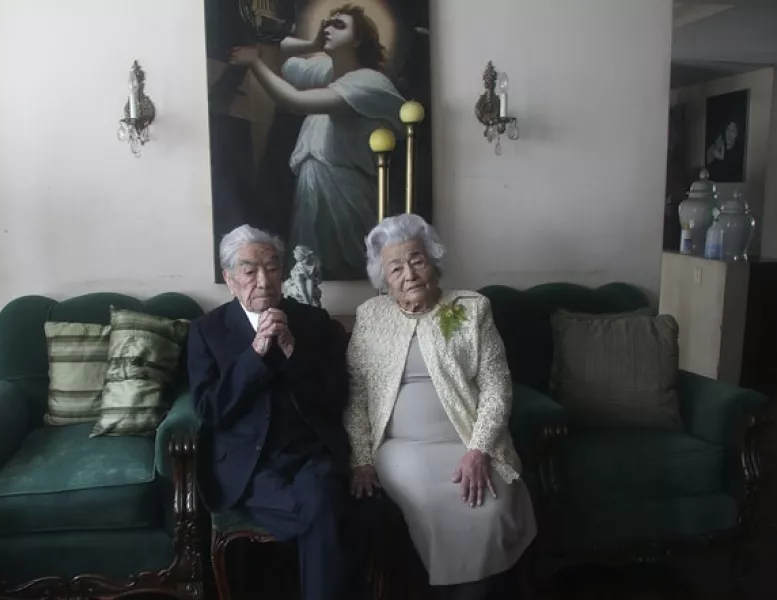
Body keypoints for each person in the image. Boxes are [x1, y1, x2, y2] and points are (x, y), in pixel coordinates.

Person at [346, 214, 537, 600]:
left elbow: (497, 387)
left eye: (416, 260)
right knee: (430, 501)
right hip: (402, 447)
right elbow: (358, 396)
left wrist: (478, 450)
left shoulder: (472, 309)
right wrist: (361, 459)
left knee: (491, 509)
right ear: (385, 279)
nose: (409, 273)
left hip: (467, 440)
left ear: (432, 260)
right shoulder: (371, 316)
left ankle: (470, 592)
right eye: (395, 267)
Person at [188, 224, 363, 600]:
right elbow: (211, 410)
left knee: (322, 499)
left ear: (283, 272)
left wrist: (290, 350)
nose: (263, 281)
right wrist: (254, 355)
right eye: (250, 271)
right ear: (230, 279)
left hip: (310, 454)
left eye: (272, 268)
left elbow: (336, 397)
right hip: (249, 464)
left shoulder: (313, 322)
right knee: (326, 515)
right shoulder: (207, 331)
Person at [228, 4, 405, 280]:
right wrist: (311, 43)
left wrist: (255, 63)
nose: (328, 28)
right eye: (327, 23)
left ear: (358, 40)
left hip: (346, 190)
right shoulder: (325, 70)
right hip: (312, 186)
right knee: (308, 269)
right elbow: (275, 56)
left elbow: (293, 100)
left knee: (343, 265)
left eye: (339, 25)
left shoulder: (370, 81)